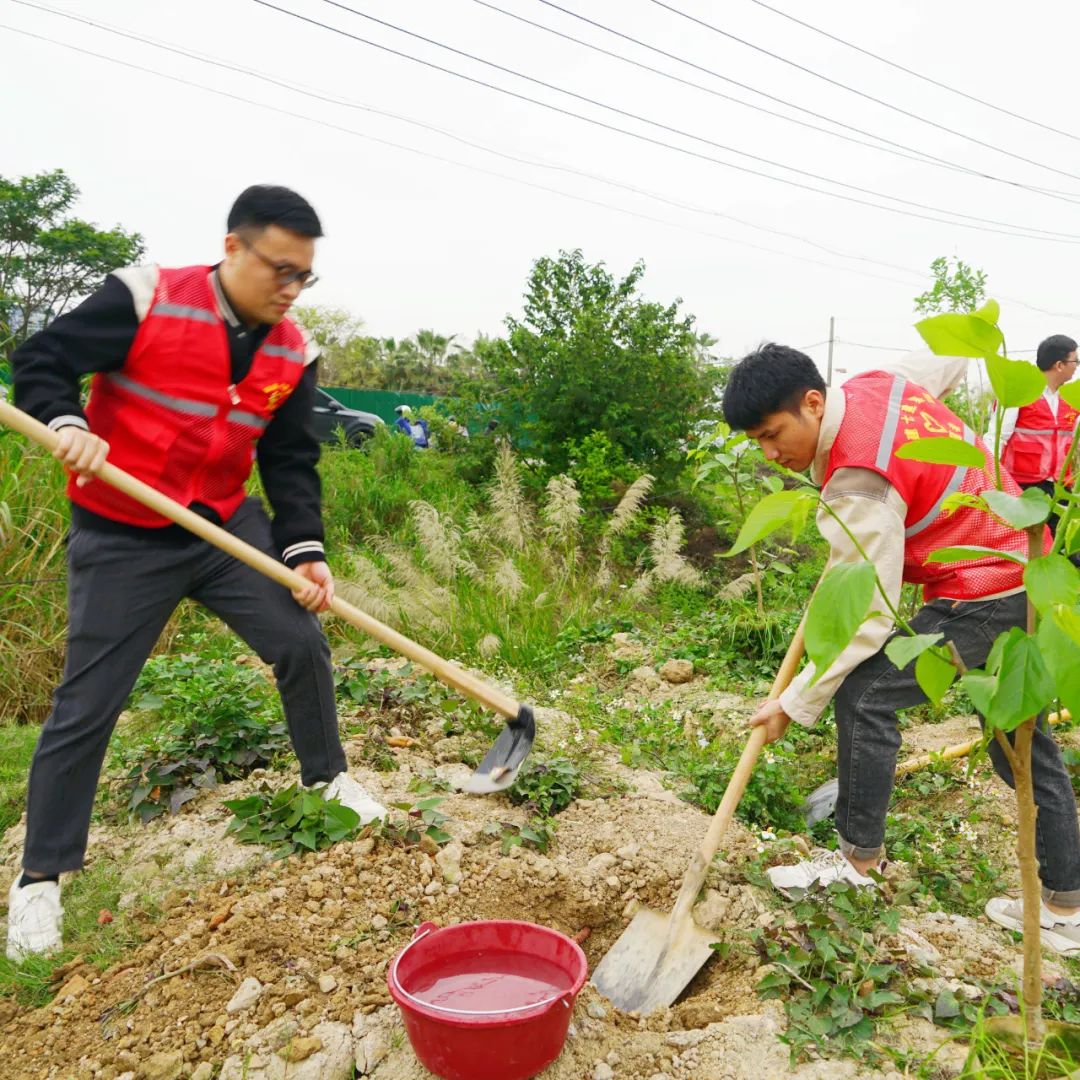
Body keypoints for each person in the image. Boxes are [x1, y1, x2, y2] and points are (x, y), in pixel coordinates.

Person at [8, 184, 387, 961]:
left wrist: (304, 550)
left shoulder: (293, 351)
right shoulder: (147, 297)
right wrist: (68, 421)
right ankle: (40, 878)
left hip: (218, 522)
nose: (290, 289)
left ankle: (327, 779)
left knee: (299, 638)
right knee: (89, 701)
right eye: (279, 270)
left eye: (303, 277)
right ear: (232, 250)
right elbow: (42, 359)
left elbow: (289, 462)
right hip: (122, 529)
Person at [723, 344, 1080, 953]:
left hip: (984, 585)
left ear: (814, 404)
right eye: (757, 441)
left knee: (863, 697)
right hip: (1029, 563)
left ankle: (858, 869)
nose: (770, 454)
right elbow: (949, 360)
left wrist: (795, 701)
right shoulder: (878, 384)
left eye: (773, 434)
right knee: (1020, 740)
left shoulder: (857, 486)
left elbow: (867, 618)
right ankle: (1067, 907)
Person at [991, 333, 1079, 530]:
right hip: (1021, 487)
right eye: (1075, 360)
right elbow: (997, 438)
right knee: (1025, 542)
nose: (1077, 366)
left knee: (1063, 547)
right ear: (1059, 365)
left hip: (1060, 487)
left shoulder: (1071, 398)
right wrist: (989, 481)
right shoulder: (1020, 393)